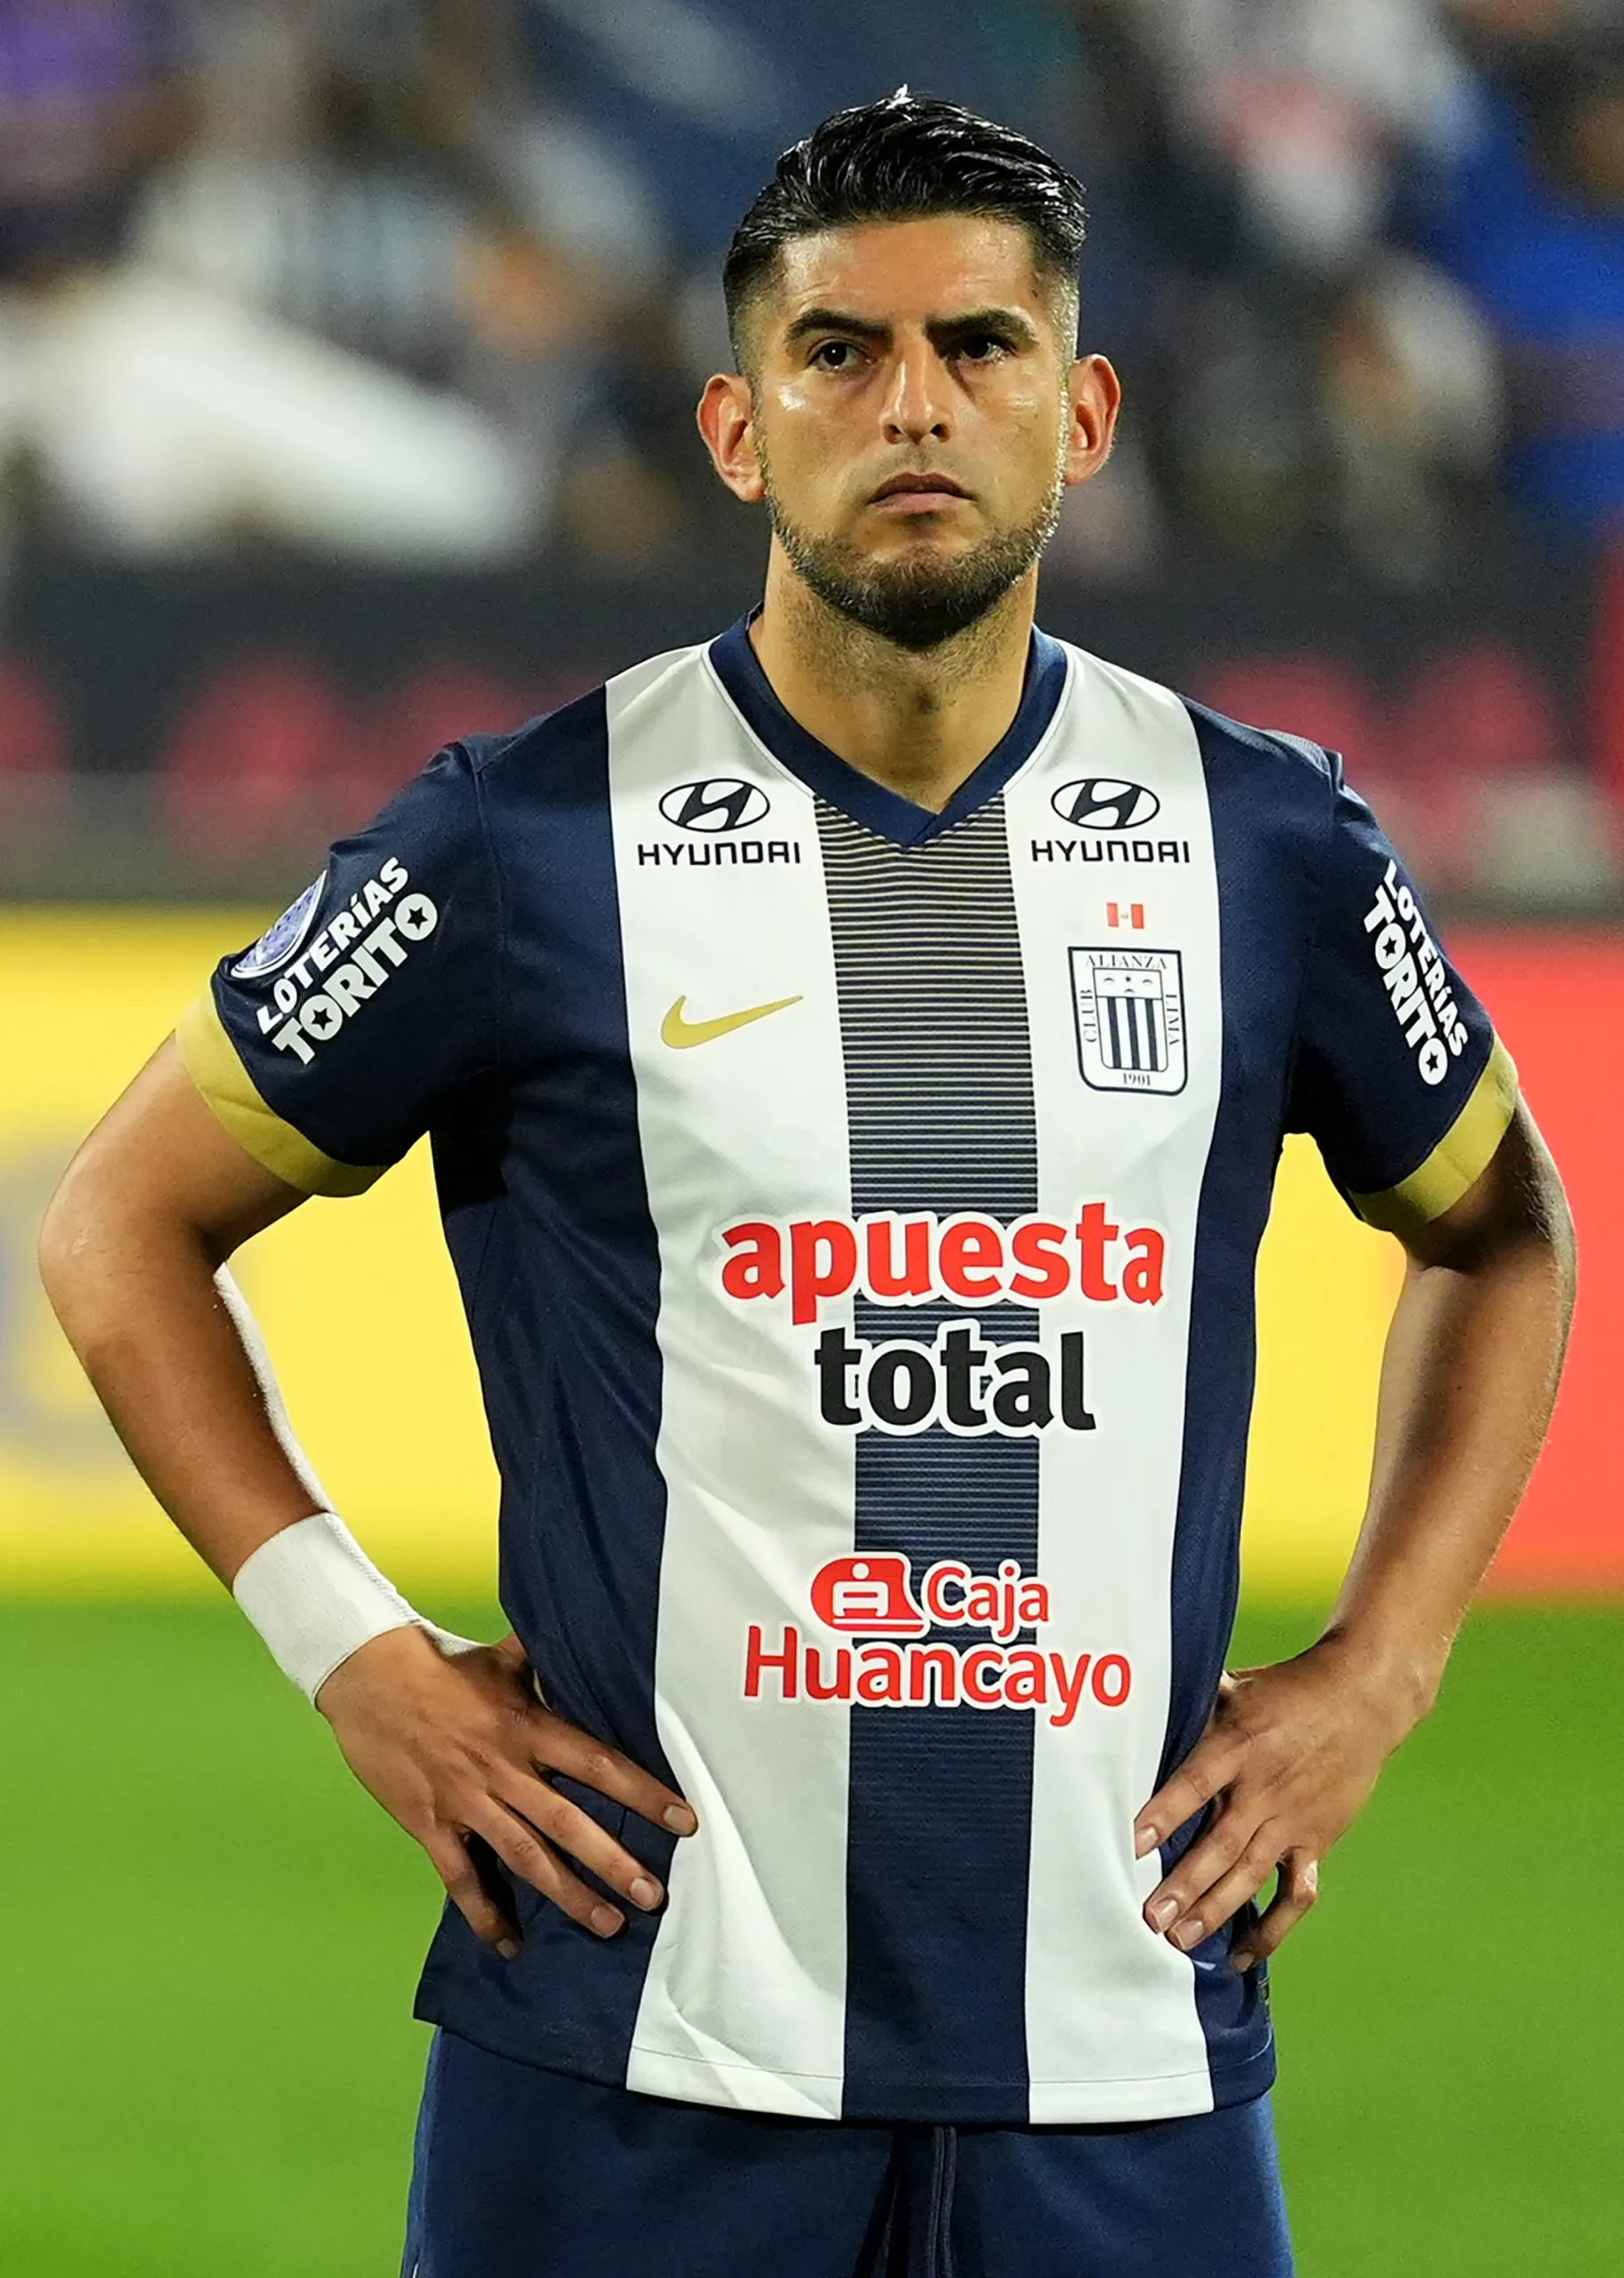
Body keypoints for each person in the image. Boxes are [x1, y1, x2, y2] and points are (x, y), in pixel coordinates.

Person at [40, 92, 1573, 2278]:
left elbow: (1505, 1221)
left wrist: (1383, 1669)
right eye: (840, 352)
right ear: (739, 430)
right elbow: (118, 1219)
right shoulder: (520, 839)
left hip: (1122, 2046)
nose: (915, 402)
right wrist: (355, 1654)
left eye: (980, 345)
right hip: (631, 2049)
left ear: (1089, 409)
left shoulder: (1268, 842)